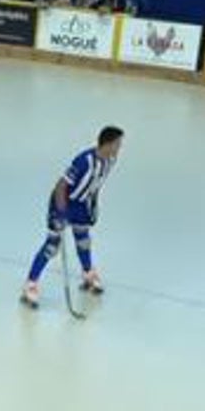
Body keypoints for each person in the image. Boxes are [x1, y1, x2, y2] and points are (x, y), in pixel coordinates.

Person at [21, 126, 124, 309]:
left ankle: (88, 273)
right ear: (107, 144)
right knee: (52, 246)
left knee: (83, 240)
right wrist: (61, 213)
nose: (119, 148)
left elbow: (95, 185)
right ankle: (30, 284)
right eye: (117, 144)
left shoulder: (110, 160)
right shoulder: (84, 160)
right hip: (63, 202)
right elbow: (61, 185)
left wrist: (92, 206)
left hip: (82, 205)